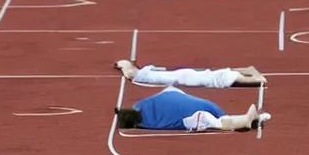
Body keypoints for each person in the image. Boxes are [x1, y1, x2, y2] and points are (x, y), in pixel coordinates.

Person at [115, 87, 269, 133]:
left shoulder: (146, 123)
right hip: (196, 103)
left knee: (216, 121)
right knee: (216, 117)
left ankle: (244, 120)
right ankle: (246, 120)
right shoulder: (140, 105)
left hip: (194, 113)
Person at [114, 59, 266, 87]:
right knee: (214, 75)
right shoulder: (142, 75)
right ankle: (248, 71)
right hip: (185, 77)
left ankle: (249, 71)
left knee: (217, 76)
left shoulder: (141, 75)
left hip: (185, 77)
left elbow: (262, 80)